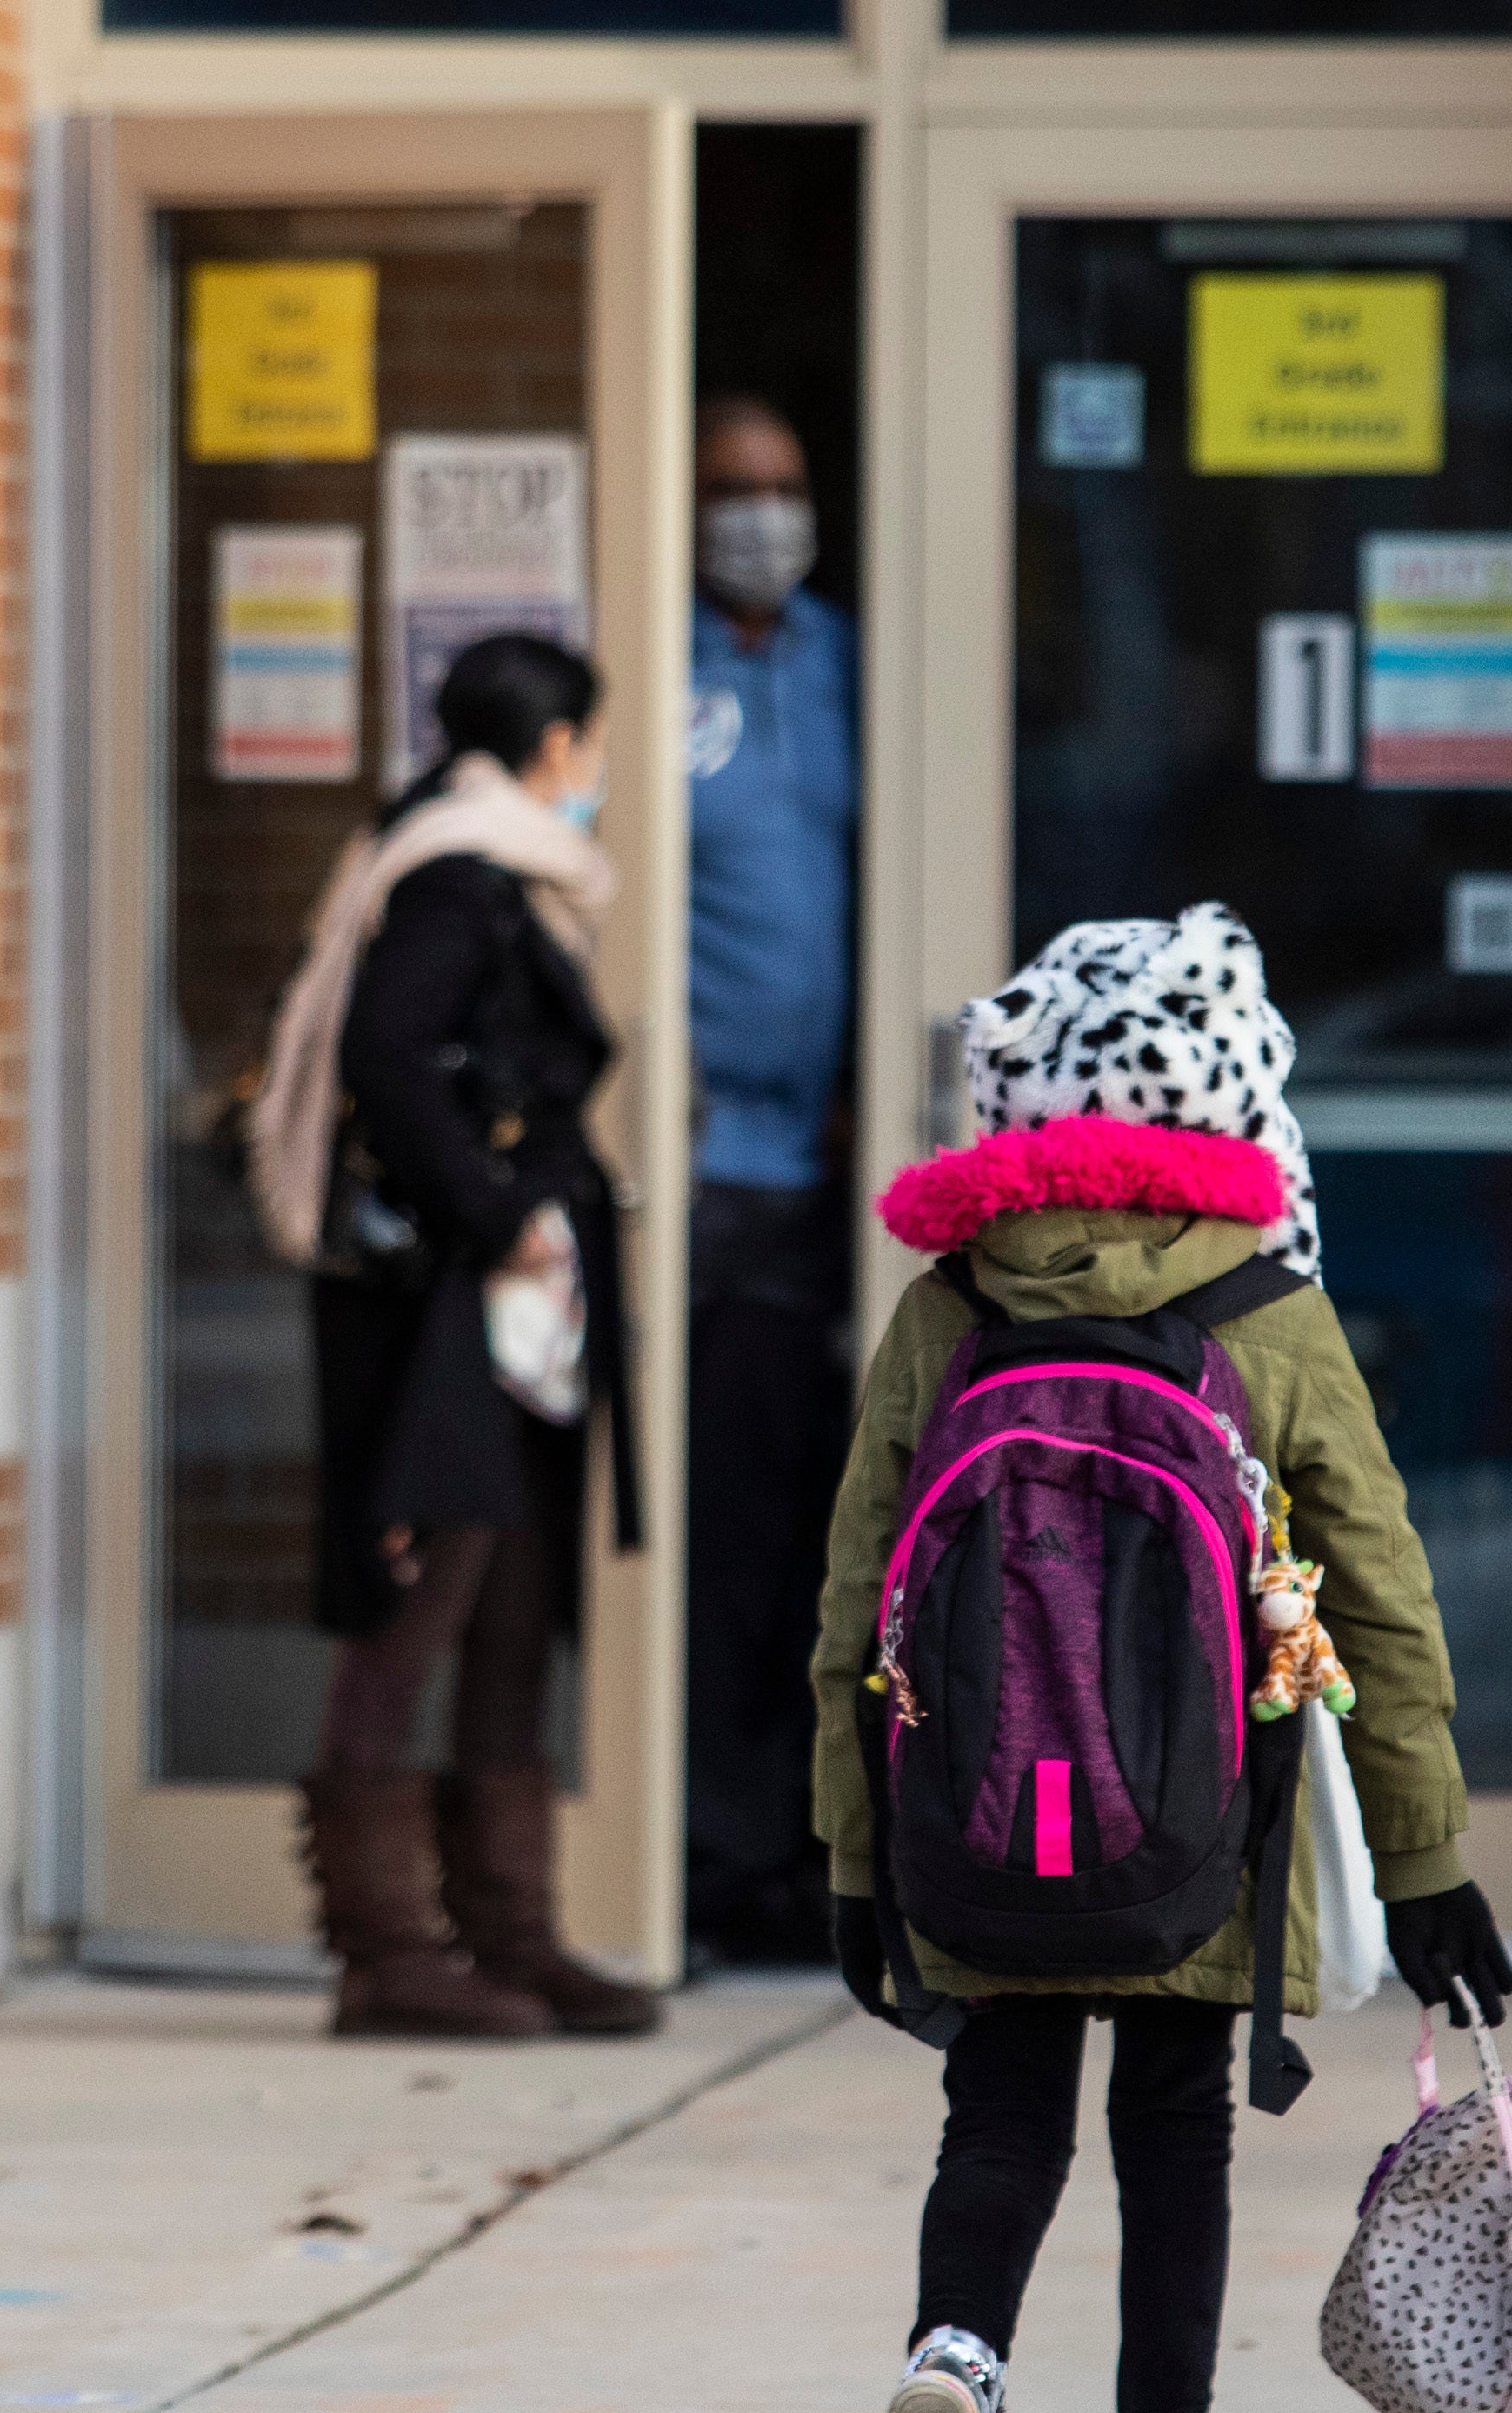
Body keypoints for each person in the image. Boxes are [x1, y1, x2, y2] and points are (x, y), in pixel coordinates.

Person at [810, 904, 1512, 2413]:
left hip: (976, 1820)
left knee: (1002, 2118)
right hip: (1208, 1826)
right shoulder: (1263, 1302)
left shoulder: (952, 1304)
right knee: (1173, 2137)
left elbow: (852, 1599)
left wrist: (848, 1851)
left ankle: (953, 2368)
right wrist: (1425, 1862)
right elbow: (1381, 1592)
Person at [248, 636, 659, 2042]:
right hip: (444, 1305)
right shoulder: (457, 873)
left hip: (508, 1304)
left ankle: (510, 1934)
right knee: (422, 1593)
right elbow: (386, 1062)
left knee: (513, 1601)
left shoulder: (477, 863)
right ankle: (383, 1949)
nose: (593, 773)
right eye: (588, 746)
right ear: (555, 749)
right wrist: (498, 1217)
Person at [685, 395, 863, 1963]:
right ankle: (715, 1855)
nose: (761, 512)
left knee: (836, 1533)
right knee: (726, 1538)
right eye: (732, 488)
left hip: (840, 1171)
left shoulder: (844, 659)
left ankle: (814, 1850)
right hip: (701, 1171)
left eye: (782, 483)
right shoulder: (656, 668)